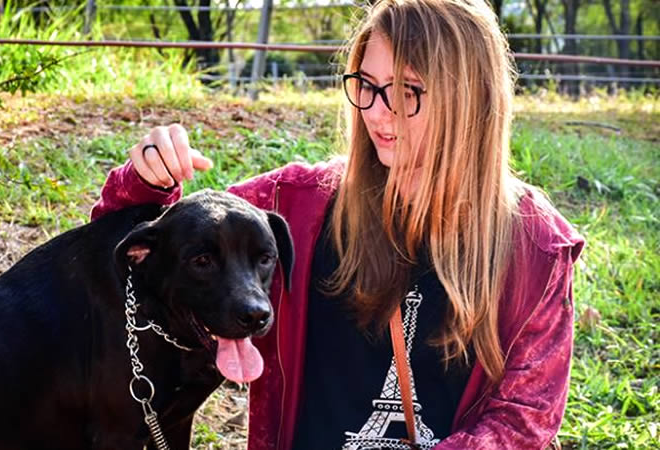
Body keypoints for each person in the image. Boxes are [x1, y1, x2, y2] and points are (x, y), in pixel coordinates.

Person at [91, 0, 584, 448]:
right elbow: (124, 254)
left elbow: (524, 421)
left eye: (407, 90)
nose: (377, 112)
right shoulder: (296, 205)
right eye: (366, 86)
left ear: (469, 98)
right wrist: (146, 181)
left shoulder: (537, 248)